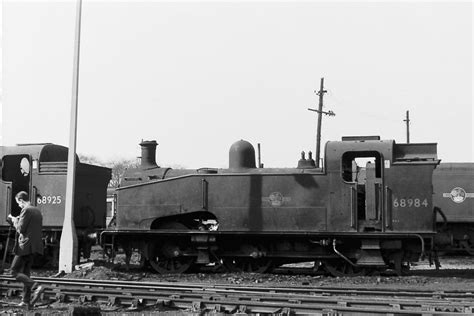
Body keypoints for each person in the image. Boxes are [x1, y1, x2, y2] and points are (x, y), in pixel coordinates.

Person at [8, 191, 45, 308]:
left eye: (18, 203)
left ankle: (36, 286)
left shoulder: (26, 210)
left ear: (21, 200)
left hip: (25, 246)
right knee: (26, 273)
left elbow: (20, 229)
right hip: (35, 247)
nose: (18, 205)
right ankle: (26, 300)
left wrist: (15, 220)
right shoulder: (37, 210)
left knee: (13, 271)